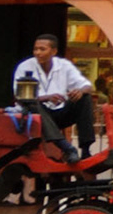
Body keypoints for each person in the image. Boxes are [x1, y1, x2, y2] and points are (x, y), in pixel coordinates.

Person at [12, 34, 96, 163]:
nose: (38, 53)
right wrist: (46, 98)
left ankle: (86, 150)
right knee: (32, 104)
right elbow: (19, 97)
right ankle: (67, 148)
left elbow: (87, 86)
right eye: (35, 49)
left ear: (54, 51)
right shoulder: (24, 67)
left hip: (60, 113)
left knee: (85, 98)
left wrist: (79, 91)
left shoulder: (64, 65)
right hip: (37, 116)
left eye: (42, 49)